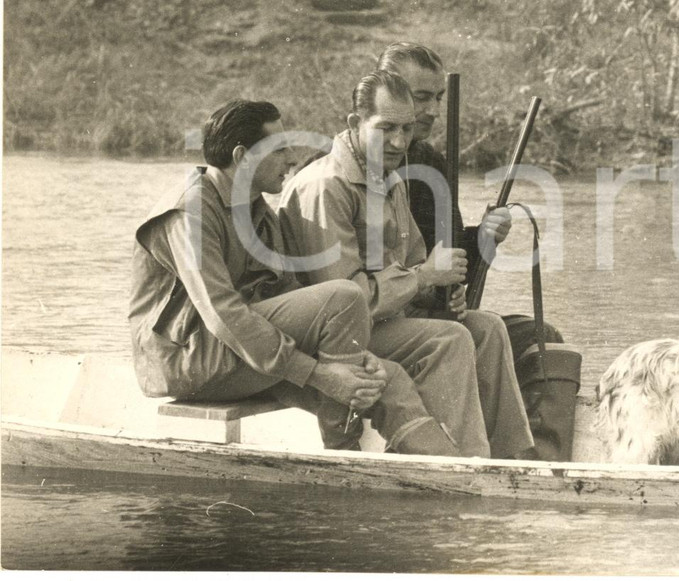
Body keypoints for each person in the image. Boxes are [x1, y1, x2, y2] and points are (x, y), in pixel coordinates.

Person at [128, 99, 459, 456]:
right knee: (344, 297)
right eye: (279, 149)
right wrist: (320, 375)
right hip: (188, 363)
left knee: (384, 378)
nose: (291, 159)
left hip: (240, 354)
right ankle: (343, 453)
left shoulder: (257, 212)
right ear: (241, 156)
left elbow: (287, 296)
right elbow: (223, 314)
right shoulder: (189, 212)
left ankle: (455, 474)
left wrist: (357, 358)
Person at [278, 72, 533, 459]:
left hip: (377, 323)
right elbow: (345, 301)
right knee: (449, 339)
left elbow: (413, 264)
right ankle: (465, 462)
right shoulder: (326, 186)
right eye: (386, 129)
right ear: (355, 123)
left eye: (407, 128)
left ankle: (514, 460)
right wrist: (425, 277)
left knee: (487, 328)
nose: (400, 142)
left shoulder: (389, 179)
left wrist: (438, 292)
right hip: (330, 340)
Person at [376, 43, 581, 462]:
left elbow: (449, 256)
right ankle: (455, 450)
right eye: (422, 97)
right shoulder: (363, 166)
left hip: (435, 314)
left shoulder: (431, 162)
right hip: (391, 323)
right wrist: (427, 286)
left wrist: (483, 238)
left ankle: (533, 459)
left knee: (543, 340)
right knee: (463, 337)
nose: (434, 110)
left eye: (439, 98)